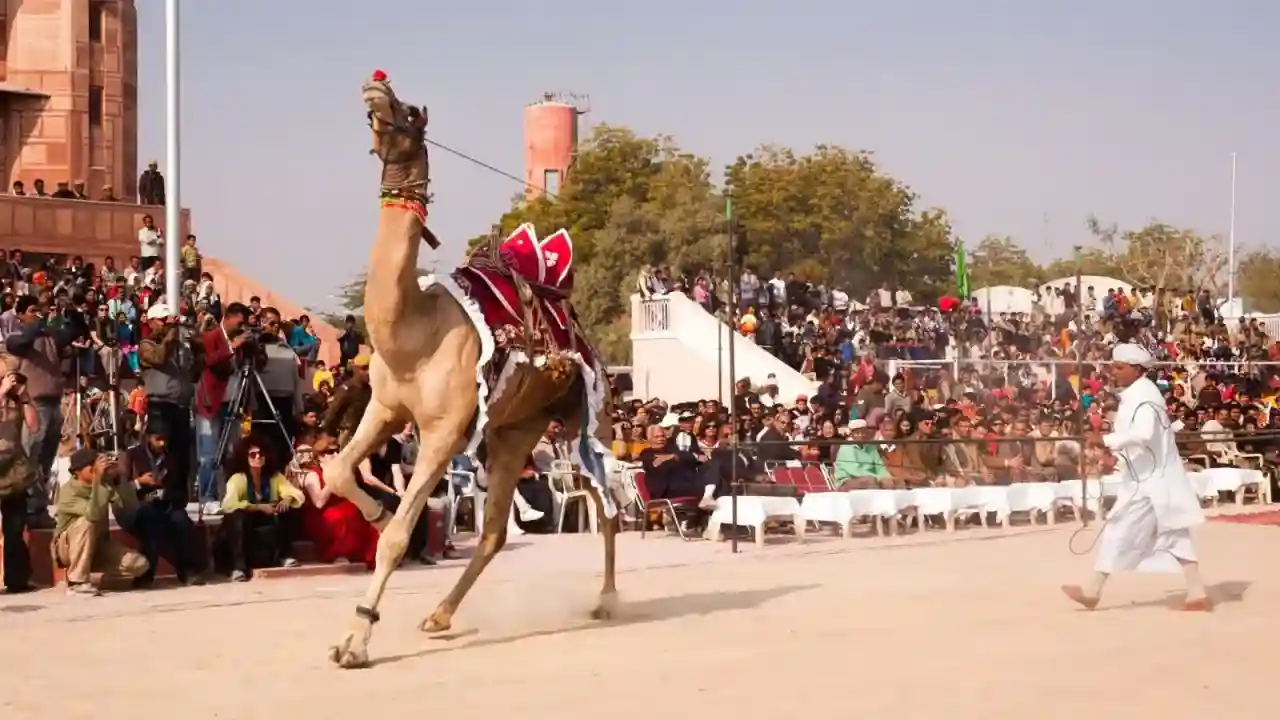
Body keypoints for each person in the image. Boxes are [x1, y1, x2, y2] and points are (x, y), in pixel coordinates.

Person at [1062, 343, 1211, 612]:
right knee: (1176, 535)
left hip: (1150, 482)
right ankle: (1197, 593)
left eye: (1119, 368)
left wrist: (1104, 440)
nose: (1114, 372)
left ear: (1136, 369)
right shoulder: (1140, 394)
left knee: (1118, 530)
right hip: (1151, 478)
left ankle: (1092, 591)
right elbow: (1143, 444)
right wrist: (1115, 458)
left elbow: (1143, 435)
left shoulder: (1143, 396)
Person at [115, 418, 206, 587]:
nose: (162, 443)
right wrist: (139, 482)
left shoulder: (172, 457)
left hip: (167, 504)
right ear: (148, 437)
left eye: (165, 439)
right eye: (158, 439)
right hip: (139, 507)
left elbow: (182, 489)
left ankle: (187, 571)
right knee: (152, 521)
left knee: (182, 521)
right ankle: (145, 575)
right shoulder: (132, 455)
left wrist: (170, 495)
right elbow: (119, 490)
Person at [52, 448, 150, 596]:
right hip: (68, 548)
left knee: (139, 565)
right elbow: (93, 515)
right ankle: (76, 582)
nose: (97, 468)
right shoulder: (68, 492)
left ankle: (95, 580)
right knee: (87, 523)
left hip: (98, 546)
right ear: (77, 471)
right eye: (92, 465)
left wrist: (119, 479)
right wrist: (98, 481)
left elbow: (127, 509)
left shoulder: (104, 484)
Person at [138, 302, 199, 511]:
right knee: (161, 453)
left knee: (181, 455)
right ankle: (158, 498)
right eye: (164, 321)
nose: (167, 324)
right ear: (153, 322)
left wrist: (196, 344)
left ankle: (179, 501)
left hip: (180, 406)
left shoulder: (178, 346)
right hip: (160, 405)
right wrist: (172, 332)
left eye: (169, 321)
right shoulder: (146, 345)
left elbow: (193, 370)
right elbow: (159, 357)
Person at [219, 436, 303, 581]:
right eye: (253, 455)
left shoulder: (274, 477)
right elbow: (228, 504)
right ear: (244, 458)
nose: (257, 457)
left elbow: (297, 495)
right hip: (246, 524)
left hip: (265, 523)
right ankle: (239, 568)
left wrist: (287, 499)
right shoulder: (238, 478)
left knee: (288, 510)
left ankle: (284, 556)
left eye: (261, 454)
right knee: (236, 517)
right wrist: (258, 507)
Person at [194, 301, 250, 514]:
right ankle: (208, 497)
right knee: (208, 454)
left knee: (231, 454)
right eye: (239, 322)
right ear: (227, 318)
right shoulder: (212, 337)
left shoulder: (243, 341)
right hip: (210, 404)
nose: (242, 327)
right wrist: (232, 347)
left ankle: (229, 495)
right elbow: (210, 361)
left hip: (233, 404)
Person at [298, 436, 378, 567]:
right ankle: (339, 555)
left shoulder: (344, 470)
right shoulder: (312, 474)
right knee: (340, 518)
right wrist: (332, 480)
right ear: (320, 456)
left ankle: (372, 556)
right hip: (321, 514)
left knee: (365, 515)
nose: (335, 455)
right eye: (330, 452)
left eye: (337, 451)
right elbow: (319, 503)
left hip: (345, 506)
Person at [0, 368, 38, 593]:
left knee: (15, 528)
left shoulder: (17, 400)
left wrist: (24, 397)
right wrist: (2, 392)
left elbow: (34, 426)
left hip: (14, 471)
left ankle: (17, 580)